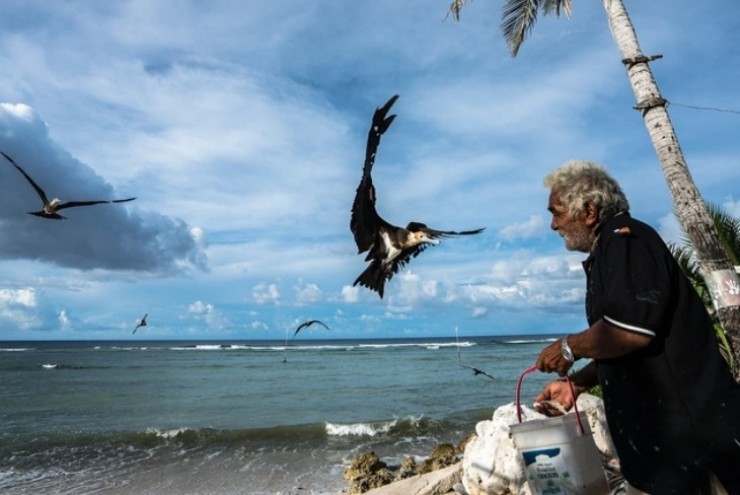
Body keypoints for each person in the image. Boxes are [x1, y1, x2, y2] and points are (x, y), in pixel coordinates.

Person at [533, 160, 740, 494]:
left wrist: (568, 347)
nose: (553, 224)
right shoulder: (610, 249)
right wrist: (578, 384)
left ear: (589, 211)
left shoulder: (627, 240)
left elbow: (630, 330)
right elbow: (630, 346)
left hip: (691, 446)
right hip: (664, 453)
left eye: (557, 212)